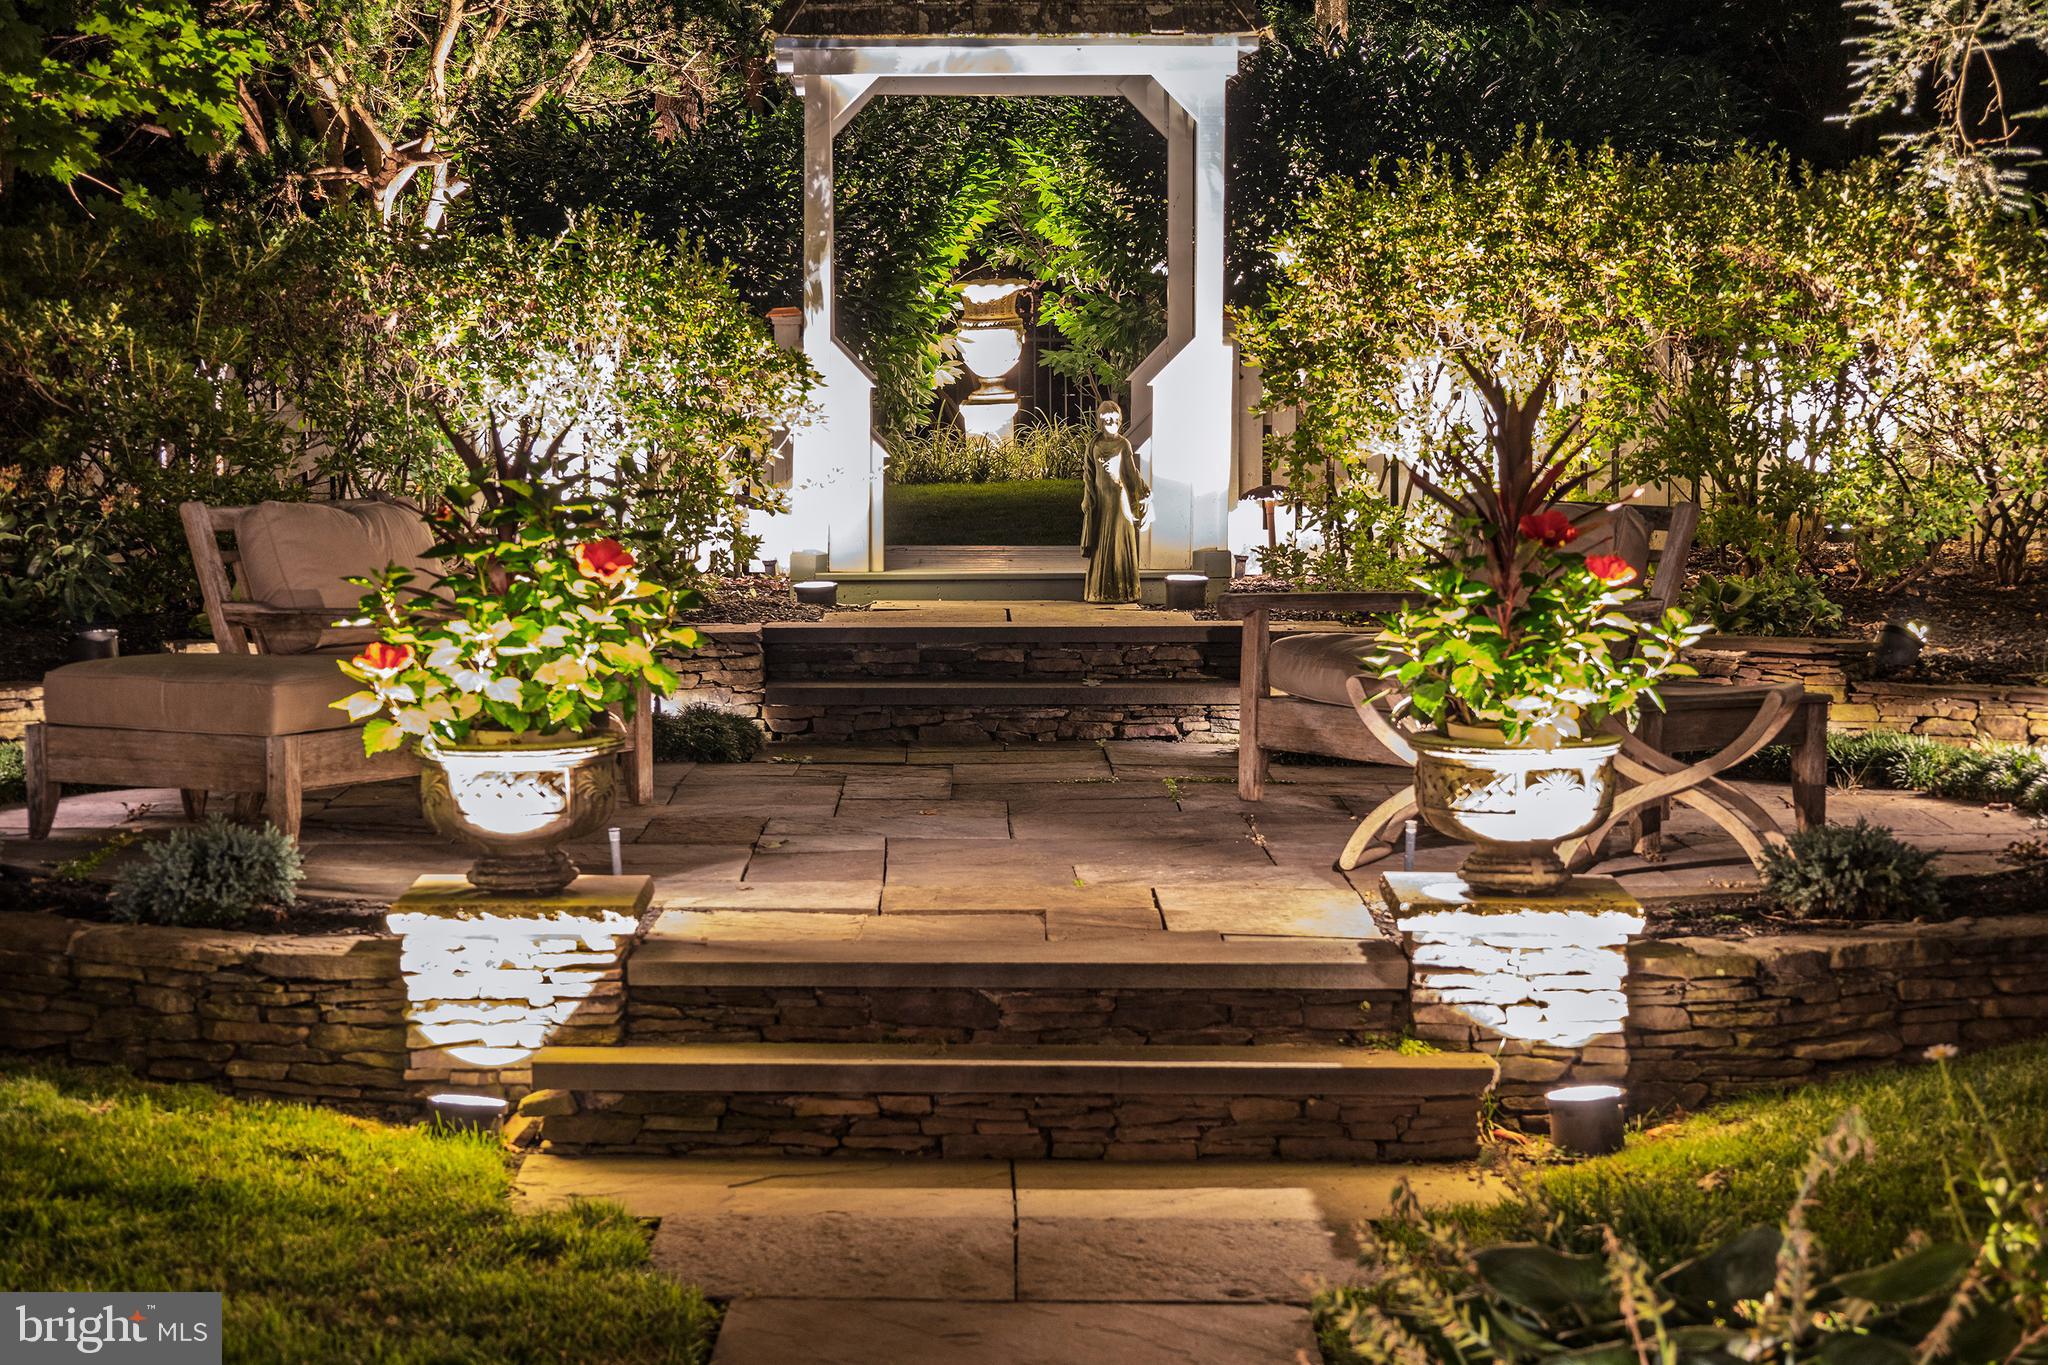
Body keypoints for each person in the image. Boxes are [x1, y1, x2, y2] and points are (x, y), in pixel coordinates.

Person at [1080, 401, 1150, 603]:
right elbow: (1089, 474)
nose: (1111, 422)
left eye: (1114, 418)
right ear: (1100, 421)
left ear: (1119, 420)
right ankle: (1099, 591)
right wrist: (1087, 498)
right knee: (1101, 542)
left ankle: (1123, 590)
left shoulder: (1123, 444)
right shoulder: (1094, 444)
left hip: (1119, 502)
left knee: (1118, 541)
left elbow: (1131, 474)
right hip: (1100, 501)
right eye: (1106, 418)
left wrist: (1143, 492)